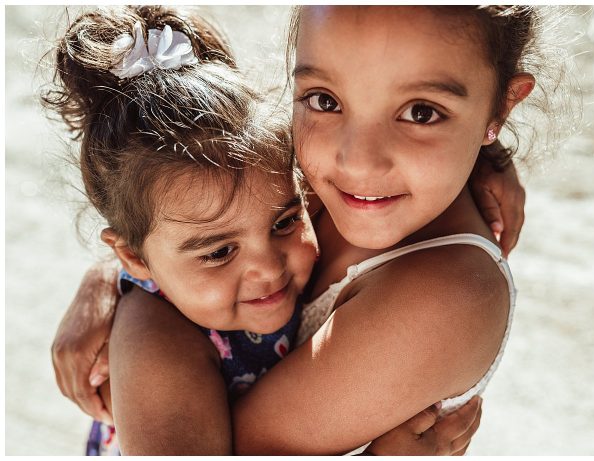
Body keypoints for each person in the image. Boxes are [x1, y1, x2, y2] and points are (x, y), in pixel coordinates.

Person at [53, 5, 565, 455]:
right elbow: (173, 201)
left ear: (501, 106)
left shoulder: (447, 296)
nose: (358, 163)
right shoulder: (291, 175)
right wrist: (114, 282)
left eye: (421, 112)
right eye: (324, 100)